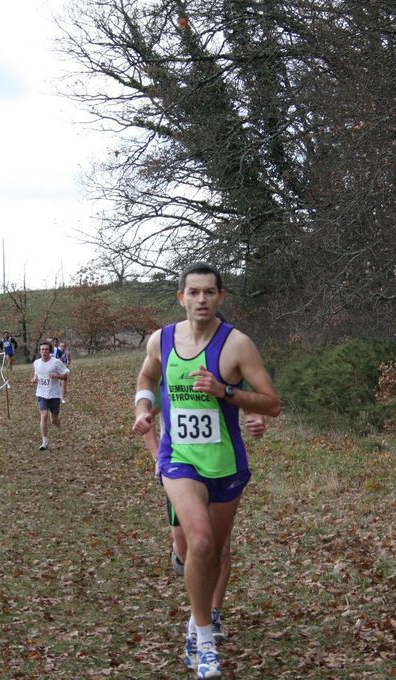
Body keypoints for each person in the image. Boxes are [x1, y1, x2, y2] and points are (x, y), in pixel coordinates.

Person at [133, 262, 280, 679]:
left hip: (225, 463)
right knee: (197, 542)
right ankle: (203, 637)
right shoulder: (161, 340)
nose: (201, 300)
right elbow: (147, 376)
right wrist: (144, 408)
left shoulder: (237, 345)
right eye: (193, 292)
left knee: (215, 549)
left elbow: (271, 402)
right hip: (179, 460)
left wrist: (227, 392)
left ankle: (207, 615)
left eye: (209, 292)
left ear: (220, 297)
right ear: (181, 297)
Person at [143, 404, 266, 643]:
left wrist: (254, 415)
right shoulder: (170, 370)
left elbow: (247, 398)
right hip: (181, 470)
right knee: (187, 549)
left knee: (219, 547)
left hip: (219, 468)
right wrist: (156, 455)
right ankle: (181, 557)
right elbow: (146, 411)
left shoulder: (221, 370)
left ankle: (212, 615)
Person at [30, 341, 69, 451]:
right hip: (41, 393)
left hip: (54, 394)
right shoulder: (36, 363)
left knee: (54, 420)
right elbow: (36, 375)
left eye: (46, 349)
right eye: (42, 349)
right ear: (39, 351)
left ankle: (59, 425)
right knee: (44, 414)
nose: (44, 351)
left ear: (50, 351)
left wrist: (56, 375)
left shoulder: (56, 362)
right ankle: (44, 442)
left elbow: (65, 376)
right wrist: (34, 379)